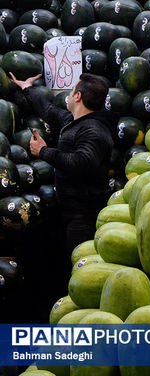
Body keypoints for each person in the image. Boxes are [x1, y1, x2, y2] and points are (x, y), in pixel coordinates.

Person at [10, 72, 116, 255]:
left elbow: (82, 162)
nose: (69, 93)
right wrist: (27, 87)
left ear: (78, 96)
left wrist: (43, 152)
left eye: (72, 89)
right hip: (69, 211)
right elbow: (48, 110)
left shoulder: (94, 130)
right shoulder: (74, 121)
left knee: (82, 267)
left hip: (84, 217)